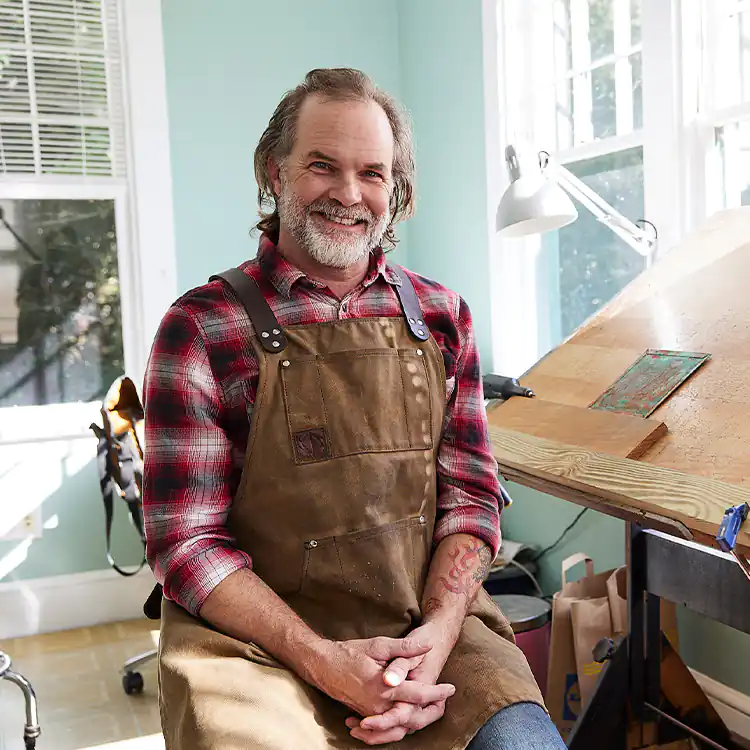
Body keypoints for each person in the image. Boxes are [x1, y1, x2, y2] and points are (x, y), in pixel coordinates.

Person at [142, 67, 565, 750]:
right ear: (273, 171)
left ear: (395, 190)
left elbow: (471, 498)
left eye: (373, 173)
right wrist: (322, 659)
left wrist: (436, 636)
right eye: (321, 165)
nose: (348, 193)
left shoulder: (440, 315)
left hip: (426, 634)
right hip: (257, 655)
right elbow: (185, 542)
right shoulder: (200, 329)